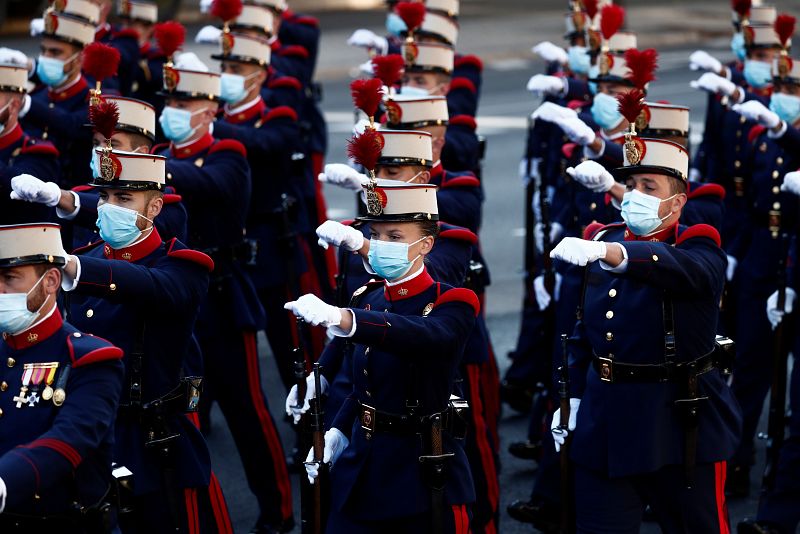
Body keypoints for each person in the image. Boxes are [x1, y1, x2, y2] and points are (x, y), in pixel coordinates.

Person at [548, 133, 742, 532]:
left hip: (676, 421)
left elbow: (690, 272)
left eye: (648, 187)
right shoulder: (607, 239)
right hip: (606, 421)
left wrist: (614, 255)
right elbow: (586, 333)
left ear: (678, 202)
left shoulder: (697, 245)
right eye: (632, 185)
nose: (634, 195)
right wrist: (575, 401)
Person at [286, 180, 479, 533]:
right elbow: (364, 387)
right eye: (375, 235)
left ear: (425, 245)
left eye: (394, 237)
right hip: (364, 461)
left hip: (417, 470)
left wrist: (344, 318)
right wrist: (339, 432)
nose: (380, 246)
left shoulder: (453, 302)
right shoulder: (369, 296)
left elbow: (419, 335)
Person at [0, 222, 124, 532]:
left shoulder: (90, 359)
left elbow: (68, 442)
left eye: (9, 279)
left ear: (51, 280)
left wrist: (3, 482)